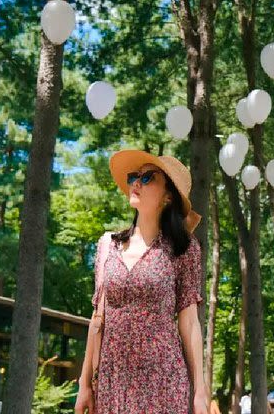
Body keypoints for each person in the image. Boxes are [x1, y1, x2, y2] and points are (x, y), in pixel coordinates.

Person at [74, 151, 207, 414]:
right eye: (134, 176)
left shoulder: (184, 249)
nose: (136, 182)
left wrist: (200, 391)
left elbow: (190, 323)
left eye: (148, 178)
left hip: (163, 379)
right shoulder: (107, 246)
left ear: (168, 196)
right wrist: (84, 384)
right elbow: (97, 318)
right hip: (113, 379)